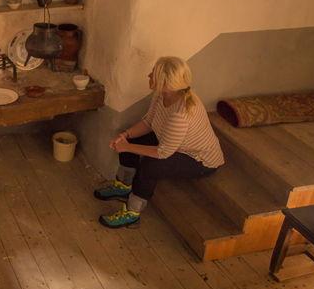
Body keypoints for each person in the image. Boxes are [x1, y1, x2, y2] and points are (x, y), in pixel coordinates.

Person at [95, 56, 224, 228]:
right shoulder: (161, 95)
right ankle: (123, 186)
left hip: (199, 160)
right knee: (130, 138)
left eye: (153, 74)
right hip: (171, 143)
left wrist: (127, 147)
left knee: (150, 166)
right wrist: (125, 135)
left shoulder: (181, 113)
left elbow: (163, 153)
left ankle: (132, 213)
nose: (149, 76)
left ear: (166, 83)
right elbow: (148, 123)